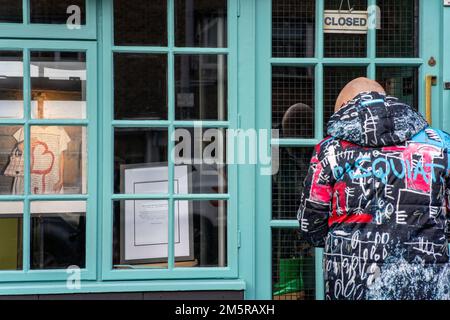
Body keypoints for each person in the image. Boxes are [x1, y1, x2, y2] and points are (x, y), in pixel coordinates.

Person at [297, 77, 450, 300]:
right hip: (427, 285)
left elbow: (310, 228)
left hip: (352, 285)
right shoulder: (441, 145)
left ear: (344, 111)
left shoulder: (328, 151)